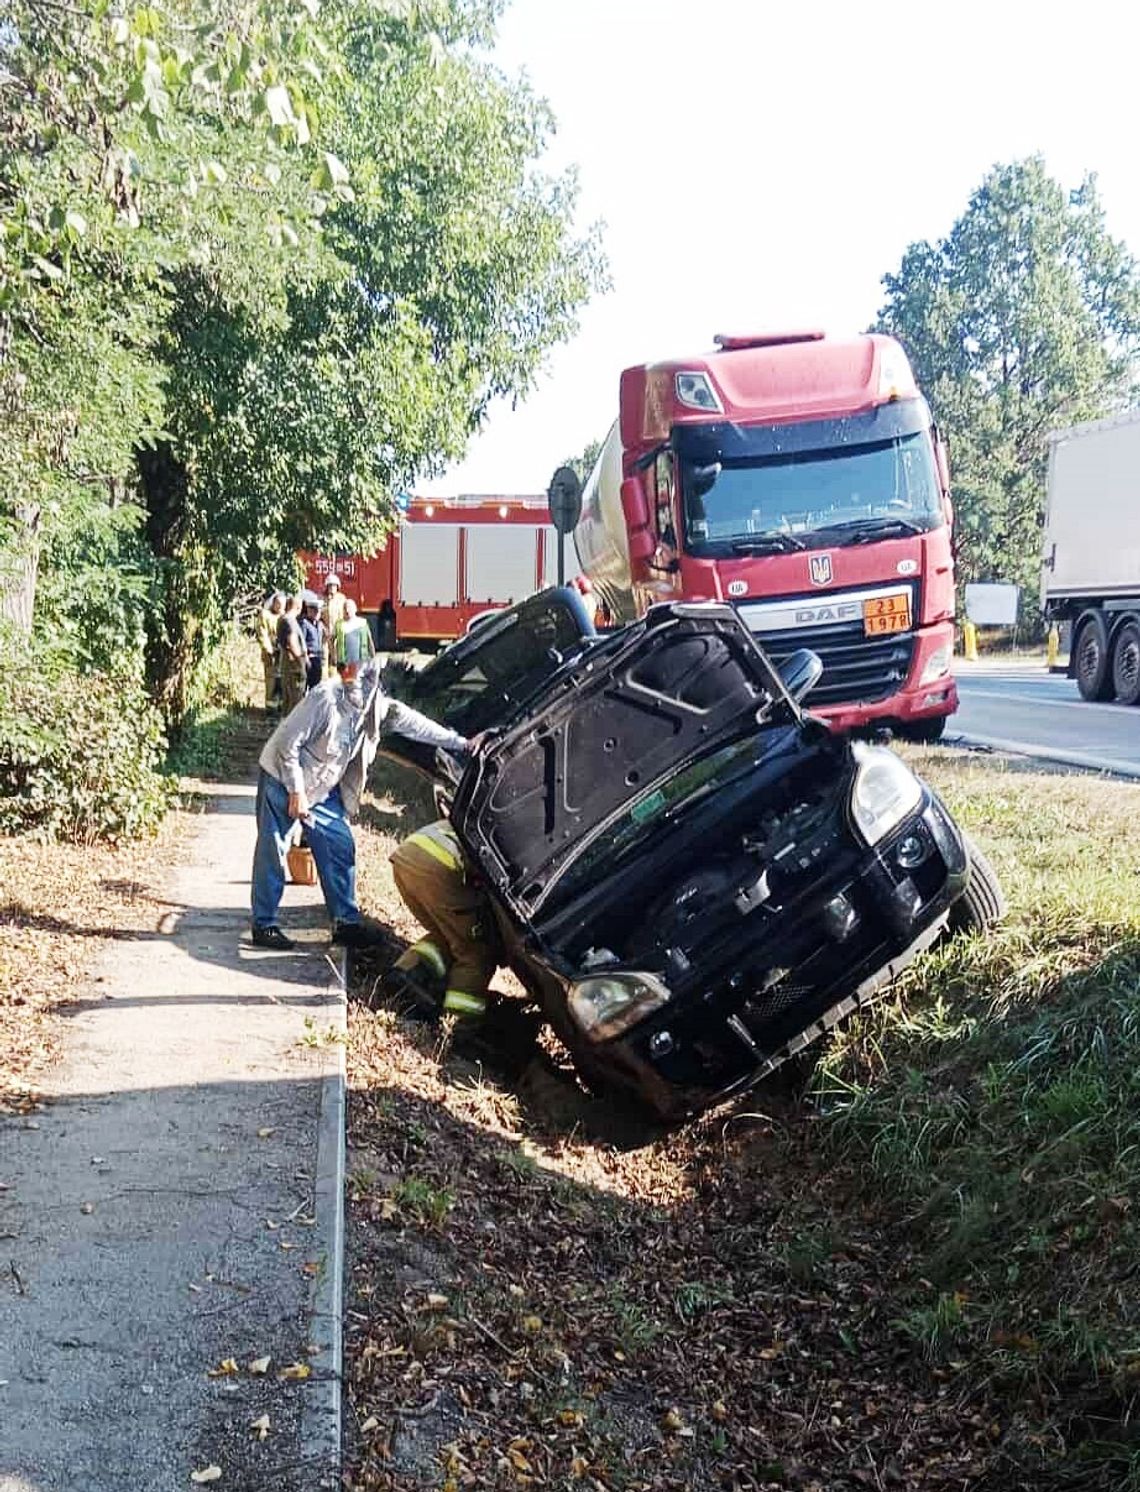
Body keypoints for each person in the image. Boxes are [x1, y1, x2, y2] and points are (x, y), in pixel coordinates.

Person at [250, 654, 474, 950]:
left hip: (322, 787)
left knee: (339, 844)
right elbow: (287, 745)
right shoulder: (324, 699)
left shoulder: (378, 708)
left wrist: (462, 743)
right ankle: (264, 924)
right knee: (273, 849)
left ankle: (345, 922)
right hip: (282, 777)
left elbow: (417, 725)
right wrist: (296, 791)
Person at [385, 820, 500, 1022]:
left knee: (449, 934)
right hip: (440, 867)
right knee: (475, 952)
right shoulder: (517, 833)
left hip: (406, 857)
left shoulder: (489, 817)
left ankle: (406, 973)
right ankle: (459, 1022)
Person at [276, 594, 307, 713]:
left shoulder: (282, 619)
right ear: (298, 607)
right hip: (293, 663)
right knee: (295, 695)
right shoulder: (290, 621)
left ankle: (286, 719)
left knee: (287, 695)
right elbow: (292, 642)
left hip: (286, 660)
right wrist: (300, 661)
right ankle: (293, 721)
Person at [256, 592, 284, 709]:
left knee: (282, 681)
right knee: (271, 682)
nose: (280, 606)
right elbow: (262, 634)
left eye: (282, 604)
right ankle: (270, 709)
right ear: (273, 603)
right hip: (271, 655)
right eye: (278, 603)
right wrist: (269, 650)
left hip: (282, 655)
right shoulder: (265, 615)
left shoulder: (284, 617)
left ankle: (281, 706)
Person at [333, 597, 375, 667]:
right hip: (344, 663)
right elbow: (331, 640)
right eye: (345, 608)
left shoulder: (362, 623)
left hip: (361, 662)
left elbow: (370, 640)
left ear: (355, 609)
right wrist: (334, 656)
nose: (347, 610)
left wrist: (373, 656)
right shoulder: (339, 624)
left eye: (349, 608)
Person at [299, 593, 326, 690]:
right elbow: (302, 642)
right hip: (308, 658)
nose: (317, 613)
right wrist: (305, 658)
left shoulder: (319, 624)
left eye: (319, 611)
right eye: (315, 611)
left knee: (316, 686)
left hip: (318, 658)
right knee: (305, 685)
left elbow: (323, 640)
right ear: (309, 610)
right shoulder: (304, 623)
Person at [322, 574, 347, 671]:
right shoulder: (321, 599)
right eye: (330, 585)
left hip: (337, 633)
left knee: (336, 658)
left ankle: (335, 675)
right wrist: (323, 628)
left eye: (334, 585)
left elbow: (344, 616)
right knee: (324, 657)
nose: (332, 588)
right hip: (324, 634)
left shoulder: (342, 599)